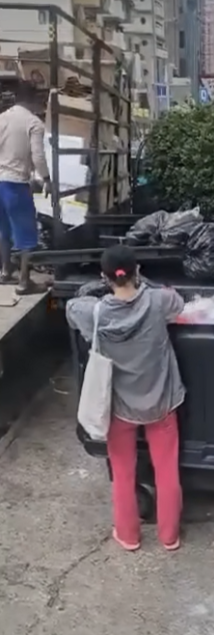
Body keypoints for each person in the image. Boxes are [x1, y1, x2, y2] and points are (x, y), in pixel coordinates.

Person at [66, 245, 184, 552]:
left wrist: (100, 293)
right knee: (167, 471)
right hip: (161, 404)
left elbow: (71, 309)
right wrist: (146, 287)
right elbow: (179, 301)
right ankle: (169, 536)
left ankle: (128, 535)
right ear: (138, 271)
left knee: (122, 473)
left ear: (105, 278)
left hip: (119, 409)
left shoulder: (95, 312)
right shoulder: (159, 302)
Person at [0, 80, 51, 294]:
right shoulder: (34, 123)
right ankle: (24, 282)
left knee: (4, 230)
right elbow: (38, 156)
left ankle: (5, 271)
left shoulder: (1, 118)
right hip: (16, 183)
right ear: (33, 99)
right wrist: (46, 178)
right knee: (27, 234)